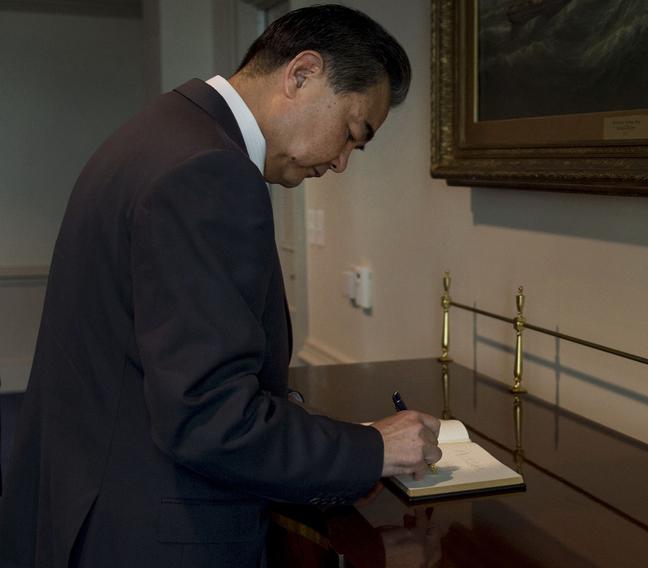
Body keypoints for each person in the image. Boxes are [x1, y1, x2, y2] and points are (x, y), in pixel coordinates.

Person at [0, 6, 441, 568]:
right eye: (351, 133)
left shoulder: (161, 131)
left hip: (87, 488)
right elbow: (208, 418)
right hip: (148, 527)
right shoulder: (210, 172)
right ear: (301, 74)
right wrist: (374, 448)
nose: (342, 163)